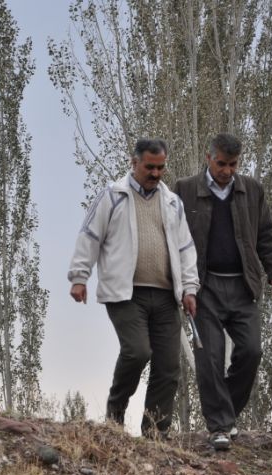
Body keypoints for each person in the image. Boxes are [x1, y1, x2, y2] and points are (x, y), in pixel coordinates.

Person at [68, 139, 199, 438]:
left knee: (168, 366)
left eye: (160, 167)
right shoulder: (112, 197)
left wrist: (189, 289)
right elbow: (89, 236)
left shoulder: (172, 203)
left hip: (166, 296)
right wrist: (79, 277)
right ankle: (115, 415)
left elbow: (186, 249)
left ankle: (155, 432)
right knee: (137, 351)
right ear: (134, 163)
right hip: (126, 294)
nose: (155, 174)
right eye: (149, 167)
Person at [173, 133, 272, 451]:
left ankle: (227, 414)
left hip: (242, 285)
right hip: (203, 287)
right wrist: (180, 284)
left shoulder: (251, 190)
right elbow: (172, 238)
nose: (226, 170)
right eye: (221, 163)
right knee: (208, 357)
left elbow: (266, 235)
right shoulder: (184, 190)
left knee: (251, 351)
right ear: (209, 158)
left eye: (233, 164)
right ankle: (220, 427)